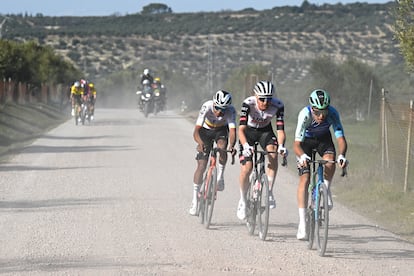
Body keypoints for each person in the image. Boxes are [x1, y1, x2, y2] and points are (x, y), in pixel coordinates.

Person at [293, 89, 348, 240]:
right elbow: (296, 145)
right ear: (312, 109)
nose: (321, 116)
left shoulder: (333, 113)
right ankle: (303, 224)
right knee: (305, 179)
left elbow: (341, 139)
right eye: (317, 112)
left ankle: (326, 189)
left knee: (331, 160)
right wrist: (302, 156)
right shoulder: (305, 114)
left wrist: (342, 155)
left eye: (324, 112)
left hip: (324, 140)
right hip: (306, 143)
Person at [237, 80, 287, 220]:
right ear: (255, 96)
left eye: (269, 99)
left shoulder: (278, 105)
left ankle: (269, 191)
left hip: (265, 132)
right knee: (247, 168)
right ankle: (242, 200)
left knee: (273, 153)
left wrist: (282, 146)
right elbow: (240, 129)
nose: (266, 102)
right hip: (248, 133)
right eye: (262, 99)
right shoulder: (248, 103)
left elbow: (280, 130)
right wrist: (246, 146)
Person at [189, 90, 237, 216]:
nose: (219, 112)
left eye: (223, 109)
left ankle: (220, 177)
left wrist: (232, 146)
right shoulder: (207, 106)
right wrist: (200, 144)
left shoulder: (231, 110)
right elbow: (196, 131)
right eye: (217, 108)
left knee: (222, 147)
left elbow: (232, 131)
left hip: (221, 131)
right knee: (202, 165)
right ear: (214, 104)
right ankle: (194, 199)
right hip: (205, 131)